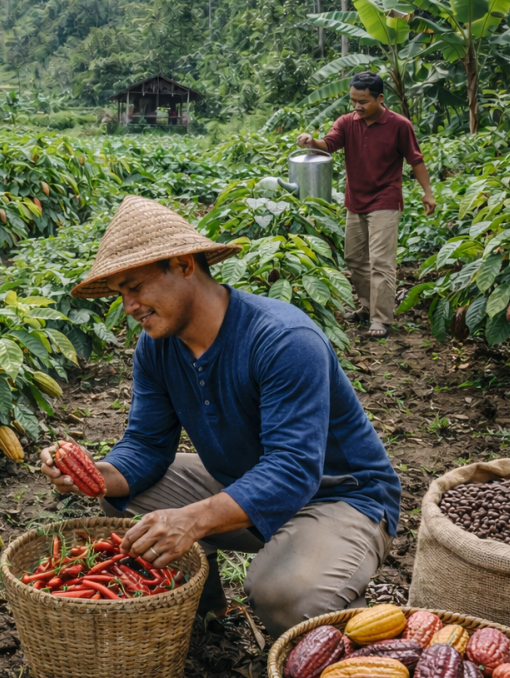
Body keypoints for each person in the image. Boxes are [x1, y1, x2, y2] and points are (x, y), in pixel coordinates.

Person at [42, 196, 401, 637]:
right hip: (245, 480)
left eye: (135, 286)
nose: (129, 305)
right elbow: (147, 444)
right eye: (120, 294)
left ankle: (348, 633)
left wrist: (191, 520)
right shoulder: (157, 347)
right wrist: (98, 474)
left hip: (339, 496)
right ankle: (203, 612)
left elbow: (293, 469)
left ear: (184, 264)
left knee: (285, 593)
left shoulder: (283, 339)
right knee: (125, 501)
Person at [296, 71, 435, 338]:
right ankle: (368, 306)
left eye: (363, 101)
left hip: (385, 198)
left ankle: (381, 319)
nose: (357, 107)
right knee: (354, 258)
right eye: (353, 101)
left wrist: (427, 192)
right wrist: (311, 142)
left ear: (380, 98)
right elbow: (329, 144)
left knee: (381, 261)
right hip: (355, 200)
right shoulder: (347, 122)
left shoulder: (399, 125)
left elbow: (415, 160)